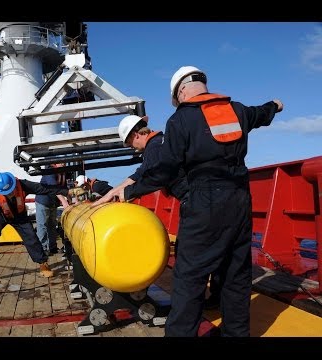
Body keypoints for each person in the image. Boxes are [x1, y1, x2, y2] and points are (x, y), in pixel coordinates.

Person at [107, 65, 283, 336]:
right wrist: (275, 104)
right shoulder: (237, 110)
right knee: (236, 276)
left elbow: (164, 170)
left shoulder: (180, 121)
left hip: (204, 202)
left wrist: (130, 192)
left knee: (189, 278)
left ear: (182, 90)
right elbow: (262, 113)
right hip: (240, 199)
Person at [0, 172, 69, 286]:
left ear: (14, 184)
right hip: (0, 216)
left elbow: (43, 189)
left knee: (31, 238)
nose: (10, 193)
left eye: (11, 190)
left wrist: (66, 192)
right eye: (6, 192)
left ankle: (43, 264)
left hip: (19, 216)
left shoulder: (23, 184)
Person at [92, 114, 188, 208]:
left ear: (136, 135)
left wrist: (128, 192)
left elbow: (157, 177)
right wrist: (112, 193)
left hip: (191, 196)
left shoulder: (154, 147)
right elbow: (138, 175)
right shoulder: (157, 143)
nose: (132, 147)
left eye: (130, 143)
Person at [35, 164, 69, 256]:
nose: (64, 164)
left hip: (53, 203)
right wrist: (64, 202)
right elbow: (54, 189)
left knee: (52, 225)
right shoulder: (49, 172)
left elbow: (65, 189)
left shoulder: (62, 173)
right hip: (43, 202)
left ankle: (53, 247)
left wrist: (72, 198)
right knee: (42, 226)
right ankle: (43, 249)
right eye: (61, 162)